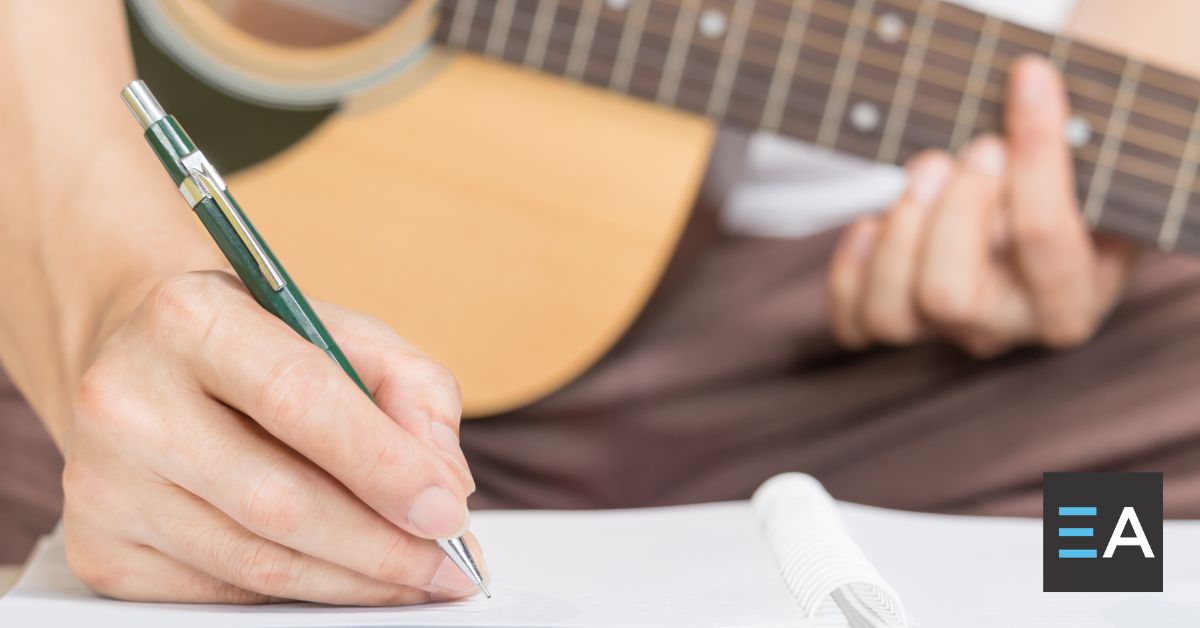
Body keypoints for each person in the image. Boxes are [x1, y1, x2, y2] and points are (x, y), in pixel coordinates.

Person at [0, 0, 1196, 607]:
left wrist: (1117, 131)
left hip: (969, 343)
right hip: (237, 257)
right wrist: (102, 295)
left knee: (1128, 548)